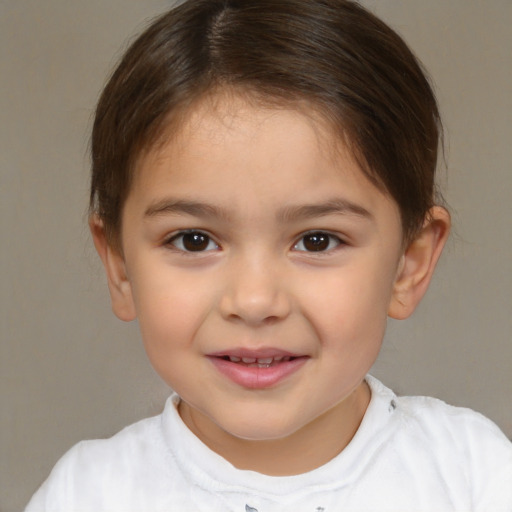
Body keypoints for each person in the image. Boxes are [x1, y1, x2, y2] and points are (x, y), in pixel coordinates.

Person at [26, 0, 512, 510]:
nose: (255, 301)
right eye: (194, 240)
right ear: (120, 266)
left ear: (409, 264)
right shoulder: (88, 494)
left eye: (317, 240)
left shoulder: (475, 477)